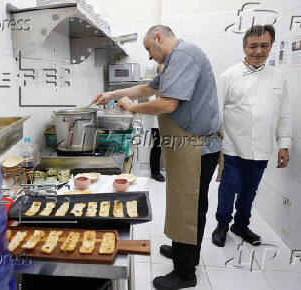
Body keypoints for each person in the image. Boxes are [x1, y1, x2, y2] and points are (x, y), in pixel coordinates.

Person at [91, 25, 221, 290]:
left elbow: (167, 104)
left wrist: (132, 108)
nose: (149, 56)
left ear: (159, 38)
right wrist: (113, 95)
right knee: (182, 201)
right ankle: (182, 249)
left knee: (191, 206)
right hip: (188, 146)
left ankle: (185, 273)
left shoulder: (184, 54)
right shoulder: (174, 60)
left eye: (149, 49)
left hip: (197, 148)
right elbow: (147, 88)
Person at [212, 25, 292, 247]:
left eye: (264, 46)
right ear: (244, 46)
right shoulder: (229, 76)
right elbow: (216, 112)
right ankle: (222, 225)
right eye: (253, 46)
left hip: (262, 148)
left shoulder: (279, 77)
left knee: (250, 190)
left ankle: (241, 224)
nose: (258, 51)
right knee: (229, 187)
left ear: (271, 47)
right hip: (233, 147)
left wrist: (284, 145)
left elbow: (283, 114)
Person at [150, 64, 166, 182]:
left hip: (171, 124)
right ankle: (155, 173)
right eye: (161, 72)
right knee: (157, 147)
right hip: (157, 124)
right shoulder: (153, 88)